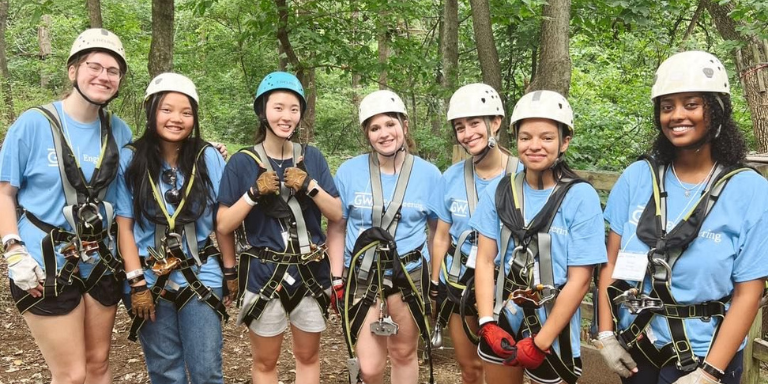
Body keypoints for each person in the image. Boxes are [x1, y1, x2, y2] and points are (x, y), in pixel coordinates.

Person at [596, 50, 768, 384]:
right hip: (639, 347)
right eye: (667, 106)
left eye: (691, 104)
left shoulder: (749, 191)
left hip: (705, 355)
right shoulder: (637, 177)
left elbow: (750, 291)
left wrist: (711, 373)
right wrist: (605, 333)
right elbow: (610, 261)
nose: (677, 115)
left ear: (716, 110)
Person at [0, 28, 131, 383]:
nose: (103, 76)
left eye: (113, 71)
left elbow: (137, 184)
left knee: (98, 363)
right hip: (45, 264)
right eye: (94, 66)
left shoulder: (119, 131)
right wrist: (13, 250)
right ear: (73, 70)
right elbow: (4, 192)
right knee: (71, 374)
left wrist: (203, 151)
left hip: (99, 262)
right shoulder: (33, 124)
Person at [470, 90, 606, 384]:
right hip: (504, 312)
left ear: (564, 141)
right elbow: (484, 259)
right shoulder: (499, 192)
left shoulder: (580, 197)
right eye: (525, 137)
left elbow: (580, 279)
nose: (534, 146)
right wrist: (487, 322)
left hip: (553, 317)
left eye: (546, 137)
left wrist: (541, 341)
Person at [215, 71, 341, 384]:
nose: (286, 116)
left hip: (309, 271)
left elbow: (337, 213)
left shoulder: (312, 158)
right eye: (278, 108)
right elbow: (223, 225)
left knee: (309, 357)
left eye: (294, 109)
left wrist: (309, 185)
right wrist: (253, 194)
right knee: (266, 361)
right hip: (262, 271)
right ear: (263, 111)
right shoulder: (243, 163)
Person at [114, 72, 232, 383]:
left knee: (206, 370)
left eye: (186, 112)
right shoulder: (131, 158)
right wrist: (137, 284)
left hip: (201, 271)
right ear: (151, 111)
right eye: (166, 109)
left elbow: (225, 221)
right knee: (165, 371)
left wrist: (232, 271)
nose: (176, 119)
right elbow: (124, 227)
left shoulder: (208, 157)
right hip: (148, 275)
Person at [327, 89, 442, 384]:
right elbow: (337, 226)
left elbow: (437, 232)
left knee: (404, 354)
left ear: (404, 125)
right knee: (369, 367)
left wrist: (435, 282)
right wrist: (336, 277)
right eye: (375, 128)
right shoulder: (350, 172)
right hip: (363, 276)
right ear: (367, 134)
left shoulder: (429, 175)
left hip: (409, 274)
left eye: (390, 124)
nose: (384, 134)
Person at [428, 83, 520, 384]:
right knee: (469, 368)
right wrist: (435, 284)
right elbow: (441, 235)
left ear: (495, 122)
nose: (467, 134)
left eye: (474, 124)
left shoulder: (522, 175)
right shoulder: (451, 177)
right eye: (460, 127)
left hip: (507, 280)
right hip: (460, 278)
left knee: (504, 367)